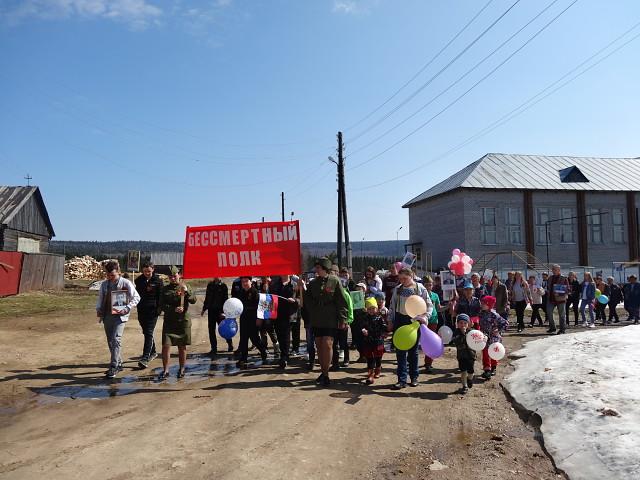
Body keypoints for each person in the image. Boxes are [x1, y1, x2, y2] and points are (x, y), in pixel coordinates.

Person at [303, 257, 349, 387]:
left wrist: (343, 318)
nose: (316, 270)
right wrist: (302, 288)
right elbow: (307, 300)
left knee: (328, 344)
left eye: (318, 267)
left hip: (330, 316)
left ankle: (326, 374)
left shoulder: (334, 281)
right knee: (319, 344)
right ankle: (323, 372)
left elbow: (342, 301)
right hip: (317, 317)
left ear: (324, 268)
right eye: (316, 267)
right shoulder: (313, 283)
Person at [388, 267, 433, 389]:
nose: (402, 280)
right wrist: (390, 320)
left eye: (404, 278)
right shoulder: (398, 289)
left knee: (413, 351)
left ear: (411, 276)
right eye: (400, 278)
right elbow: (392, 306)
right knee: (400, 351)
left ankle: (414, 377)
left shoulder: (420, 288)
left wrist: (424, 317)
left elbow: (429, 305)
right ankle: (401, 379)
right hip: (399, 320)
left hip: (414, 321)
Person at [96, 260, 140, 378]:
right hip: (107, 315)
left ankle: (114, 366)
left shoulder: (126, 283)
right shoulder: (104, 284)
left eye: (113, 275)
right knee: (111, 340)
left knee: (116, 339)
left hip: (120, 316)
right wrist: (98, 309)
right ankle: (119, 362)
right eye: (108, 275)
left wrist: (128, 307)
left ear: (119, 273)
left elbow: (136, 297)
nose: (110, 277)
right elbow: (100, 298)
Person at [158, 266, 196, 380]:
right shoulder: (165, 289)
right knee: (166, 346)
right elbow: (162, 305)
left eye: (174, 276)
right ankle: (165, 370)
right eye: (170, 277)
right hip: (170, 321)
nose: (173, 278)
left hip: (182, 321)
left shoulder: (185, 286)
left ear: (179, 275)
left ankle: (182, 368)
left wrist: (187, 291)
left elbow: (193, 300)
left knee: (182, 346)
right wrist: (172, 309)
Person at [134, 261, 163, 369]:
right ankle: (154, 352)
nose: (147, 273)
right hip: (141, 310)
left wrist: (159, 310)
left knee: (149, 332)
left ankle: (145, 358)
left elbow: (161, 297)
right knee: (146, 332)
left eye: (149, 271)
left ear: (153, 270)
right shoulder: (138, 280)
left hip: (153, 311)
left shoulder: (158, 281)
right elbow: (136, 295)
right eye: (145, 271)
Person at [236, 276, 268, 368]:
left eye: (246, 281)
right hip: (243, 318)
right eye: (243, 282)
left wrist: (259, 319)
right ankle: (243, 358)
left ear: (251, 282)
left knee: (254, 338)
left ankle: (263, 351)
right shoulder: (241, 292)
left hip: (253, 318)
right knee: (243, 339)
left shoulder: (255, 292)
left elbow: (261, 306)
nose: (245, 283)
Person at [478, 295, 508, 380]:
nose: (482, 304)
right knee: (485, 353)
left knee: (494, 352)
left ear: (489, 304)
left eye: (484, 303)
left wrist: (498, 330)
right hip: (484, 337)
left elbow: (505, 323)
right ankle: (487, 369)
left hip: (494, 338)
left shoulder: (494, 314)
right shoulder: (481, 313)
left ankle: (494, 367)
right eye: (482, 303)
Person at [201, 277, 231, 356]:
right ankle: (214, 348)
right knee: (211, 330)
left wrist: (223, 312)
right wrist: (204, 309)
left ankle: (230, 344)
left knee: (224, 329)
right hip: (211, 311)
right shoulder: (210, 285)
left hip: (220, 312)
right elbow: (207, 298)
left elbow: (225, 299)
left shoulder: (223, 286)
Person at [360, 297, 388, 385]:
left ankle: (378, 369)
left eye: (373, 308)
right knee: (369, 358)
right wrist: (363, 330)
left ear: (376, 308)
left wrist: (385, 332)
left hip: (378, 340)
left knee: (378, 357)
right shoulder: (365, 318)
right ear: (366, 309)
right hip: (368, 341)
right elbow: (362, 326)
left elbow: (384, 327)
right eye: (369, 309)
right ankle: (370, 374)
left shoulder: (380, 318)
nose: (371, 310)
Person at [273, 275, 296, 369]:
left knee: (286, 336)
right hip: (277, 314)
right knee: (279, 335)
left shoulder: (294, 284)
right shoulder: (275, 284)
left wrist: (295, 301)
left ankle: (284, 356)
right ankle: (283, 353)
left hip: (289, 314)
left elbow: (300, 299)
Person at [423, 275, 442, 374]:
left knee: (430, 343)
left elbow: (438, 308)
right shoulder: (419, 295)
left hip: (433, 320)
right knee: (421, 342)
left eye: (430, 285)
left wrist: (449, 306)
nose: (428, 287)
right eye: (426, 285)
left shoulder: (435, 295)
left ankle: (428, 364)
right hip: (422, 321)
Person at [452, 313, 475, 394]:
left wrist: (485, 337)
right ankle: (464, 386)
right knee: (463, 371)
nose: (463, 325)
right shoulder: (456, 332)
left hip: (471, 355)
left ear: (468, 324)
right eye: (460, 323)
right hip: (461, 356)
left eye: (465, 323)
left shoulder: (472, 332)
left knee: (471, 371)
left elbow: (479, 337)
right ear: (457, 324)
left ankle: (470, 379)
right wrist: (462, 334)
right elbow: (455, 341)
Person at [546, 265, 569, 334]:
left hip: (561, 299)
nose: (554, 271)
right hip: (551, 299)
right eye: (553, 269)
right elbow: (548, 287)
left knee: (562, 314)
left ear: (559, 270)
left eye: (556, 269)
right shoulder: (550, 278)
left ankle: (562, 329)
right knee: (549, 312)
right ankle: (552, 328)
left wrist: (560, 293)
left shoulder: (564, 278)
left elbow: (568, 289)